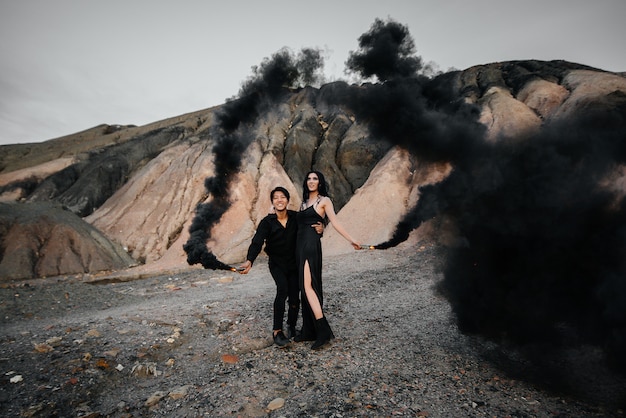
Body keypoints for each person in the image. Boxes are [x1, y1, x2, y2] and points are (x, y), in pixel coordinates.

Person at [239, 186, 323, 347]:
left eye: (282, 197)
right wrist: (250, 260)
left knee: (294, 296)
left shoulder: (296, 217)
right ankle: (277, 331)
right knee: (282, 290)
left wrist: (321, 228)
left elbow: (313, 224)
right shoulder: (267, 222)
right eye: (276, 197)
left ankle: (291, 326)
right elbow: (257, 242)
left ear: (287, 200)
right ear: (272, 202)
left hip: (295, 263)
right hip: (277, 264)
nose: (279, 200)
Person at [296, 170, 361, 350]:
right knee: (304, 288)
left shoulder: (324, 201)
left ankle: (322, 328)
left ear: (320, 182)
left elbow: (335, 222)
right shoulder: (303, 203)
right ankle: (309, 330)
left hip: (310, 247)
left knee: (308, 287)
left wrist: (352, 239)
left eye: (315, 178)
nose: (311, 181)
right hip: (299, 247)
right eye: (308, 178)